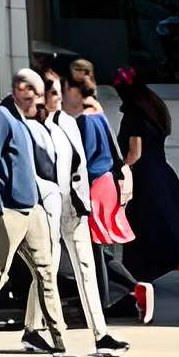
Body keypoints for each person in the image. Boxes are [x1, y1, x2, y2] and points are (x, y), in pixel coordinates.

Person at [0, 69, 98, 357]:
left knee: (47, 274)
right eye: (34, 94)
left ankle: (60, 350)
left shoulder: (25, 122)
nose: (39, 101)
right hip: (8, 212)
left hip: (33, 209)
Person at [115, 66, 179, 324]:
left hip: (147, 182)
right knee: (173, 238)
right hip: (164, 178)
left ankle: (134, 296)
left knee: (147, 239)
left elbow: (135, 153)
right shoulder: (154, 109)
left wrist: (121, 171)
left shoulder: (135, 114)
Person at [42, 68, 120, 354]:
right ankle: (34, 329)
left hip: (74, 207)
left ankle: (101, 334)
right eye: (51, 91)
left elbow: (81, 166)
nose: (56, 96)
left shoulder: (69, 122)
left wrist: (84, 202)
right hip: (47, 209)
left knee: (86, 268)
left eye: (58, 90)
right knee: (46, 269)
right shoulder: (35, 128)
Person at [63, 60, 130, 320]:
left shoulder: (84, 119)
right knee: (97, 246)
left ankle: (100, 303)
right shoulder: (99, 112)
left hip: (93, 185)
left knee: (91, 248)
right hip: (105, 183)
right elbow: (115, 153)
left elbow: (85, 157)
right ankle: (132, 287)